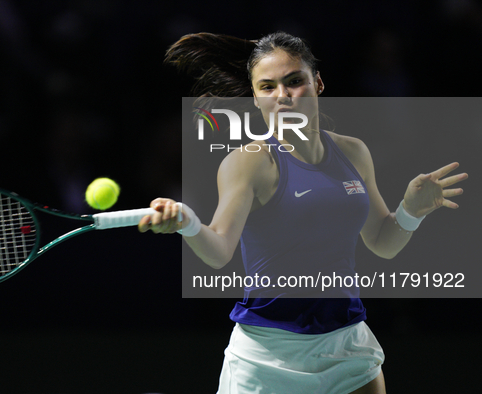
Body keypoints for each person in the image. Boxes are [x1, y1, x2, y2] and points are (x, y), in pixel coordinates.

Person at [138, 32, 468, 394]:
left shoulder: (354, 153)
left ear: (318, 83)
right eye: (267, 87)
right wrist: (187, 222)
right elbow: (218, 251)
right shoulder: (248, 163)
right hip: (267, 357)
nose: (283, 95)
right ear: (256, 98)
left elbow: (382, 242)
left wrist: (410, 211)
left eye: (294, 81)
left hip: (346, 346)